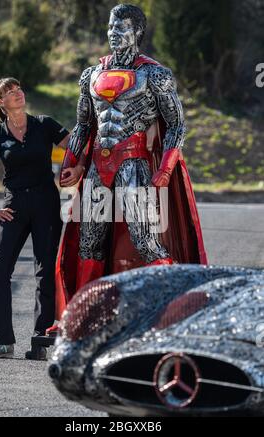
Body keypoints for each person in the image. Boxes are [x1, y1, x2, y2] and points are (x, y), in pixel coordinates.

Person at [52, 4, 208, 323]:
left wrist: (164, 170)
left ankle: (170, 309)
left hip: (133, 162)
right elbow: (83, 125)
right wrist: (71, 161)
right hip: (98, 166)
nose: (113, 33)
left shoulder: (154, 74)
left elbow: (177, 124)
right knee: (89, 240)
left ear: (137, 32)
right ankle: (84, 316)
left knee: (145, 239)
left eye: (121, 28)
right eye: (111, 27)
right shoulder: (91, 74)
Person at [0, 77, 82, 359]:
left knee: (45, 272)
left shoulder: (44, 124)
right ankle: (3, 342)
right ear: (0, 102)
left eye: (18, 90)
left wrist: (77, 170)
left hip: (45, 203)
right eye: (9, 92)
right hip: (13, 206)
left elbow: (76, 149)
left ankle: (40, 342)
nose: (17, 94)